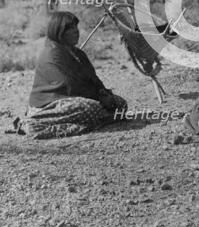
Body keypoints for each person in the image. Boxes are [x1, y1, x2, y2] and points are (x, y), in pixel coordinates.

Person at [24, 11, 127, 139]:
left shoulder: (78, 54)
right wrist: (99, 98)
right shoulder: (52, 54)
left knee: (120, 104)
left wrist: (104, 93)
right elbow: (68, 86)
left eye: (75, 27)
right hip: (50, 104)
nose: (75, 31)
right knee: (90, 108)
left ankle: (90, 121)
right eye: (69, 28)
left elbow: (94, 80)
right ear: (58, 32)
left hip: (81, 98)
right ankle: (37, 124)